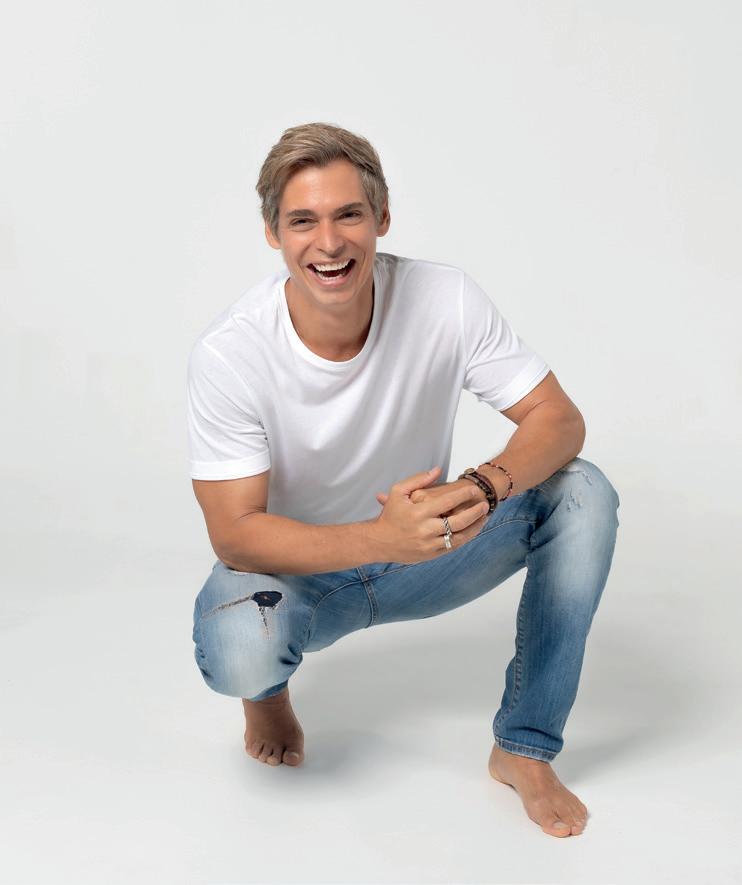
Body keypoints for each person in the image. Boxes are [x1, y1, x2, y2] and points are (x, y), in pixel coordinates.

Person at [186, 122, 620, 839]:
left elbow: (559, 419)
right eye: (303, 221)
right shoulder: (230, 352)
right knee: (239, 650)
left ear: (382, 217)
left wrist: (485, 485)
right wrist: (378, 537)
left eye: (348, 215)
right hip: (301, 576)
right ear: (273, 233)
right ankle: (266, 693)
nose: (329, 242)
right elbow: (234, 534)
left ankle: (523, 747)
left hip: (429, 550)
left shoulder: (444, 298)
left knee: (583, 492)